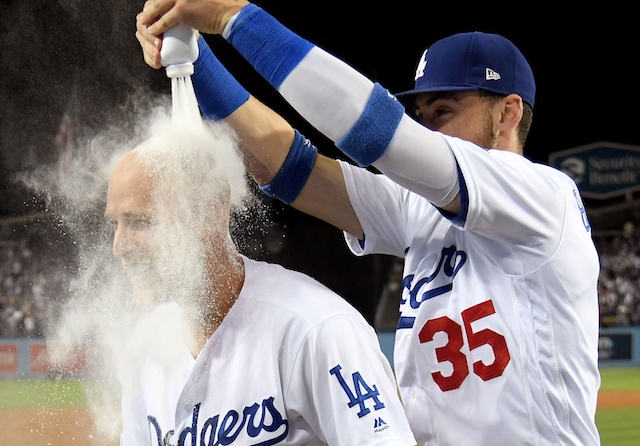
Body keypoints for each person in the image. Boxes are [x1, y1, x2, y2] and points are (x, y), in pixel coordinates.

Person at [136, 3, 602, 445]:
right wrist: (195, 60)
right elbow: (290, 168)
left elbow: (377, 133)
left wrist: (233, 17)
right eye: (421, 117)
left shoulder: (544, 196)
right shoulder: (421, 207)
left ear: (509, 112)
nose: (426, 130)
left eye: (444, 111)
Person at [106, 119, 417, 445]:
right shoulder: (144, 345)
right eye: (116, 224)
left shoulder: (316, 329)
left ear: (208, 216)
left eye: (140, 221)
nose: (119, 247)